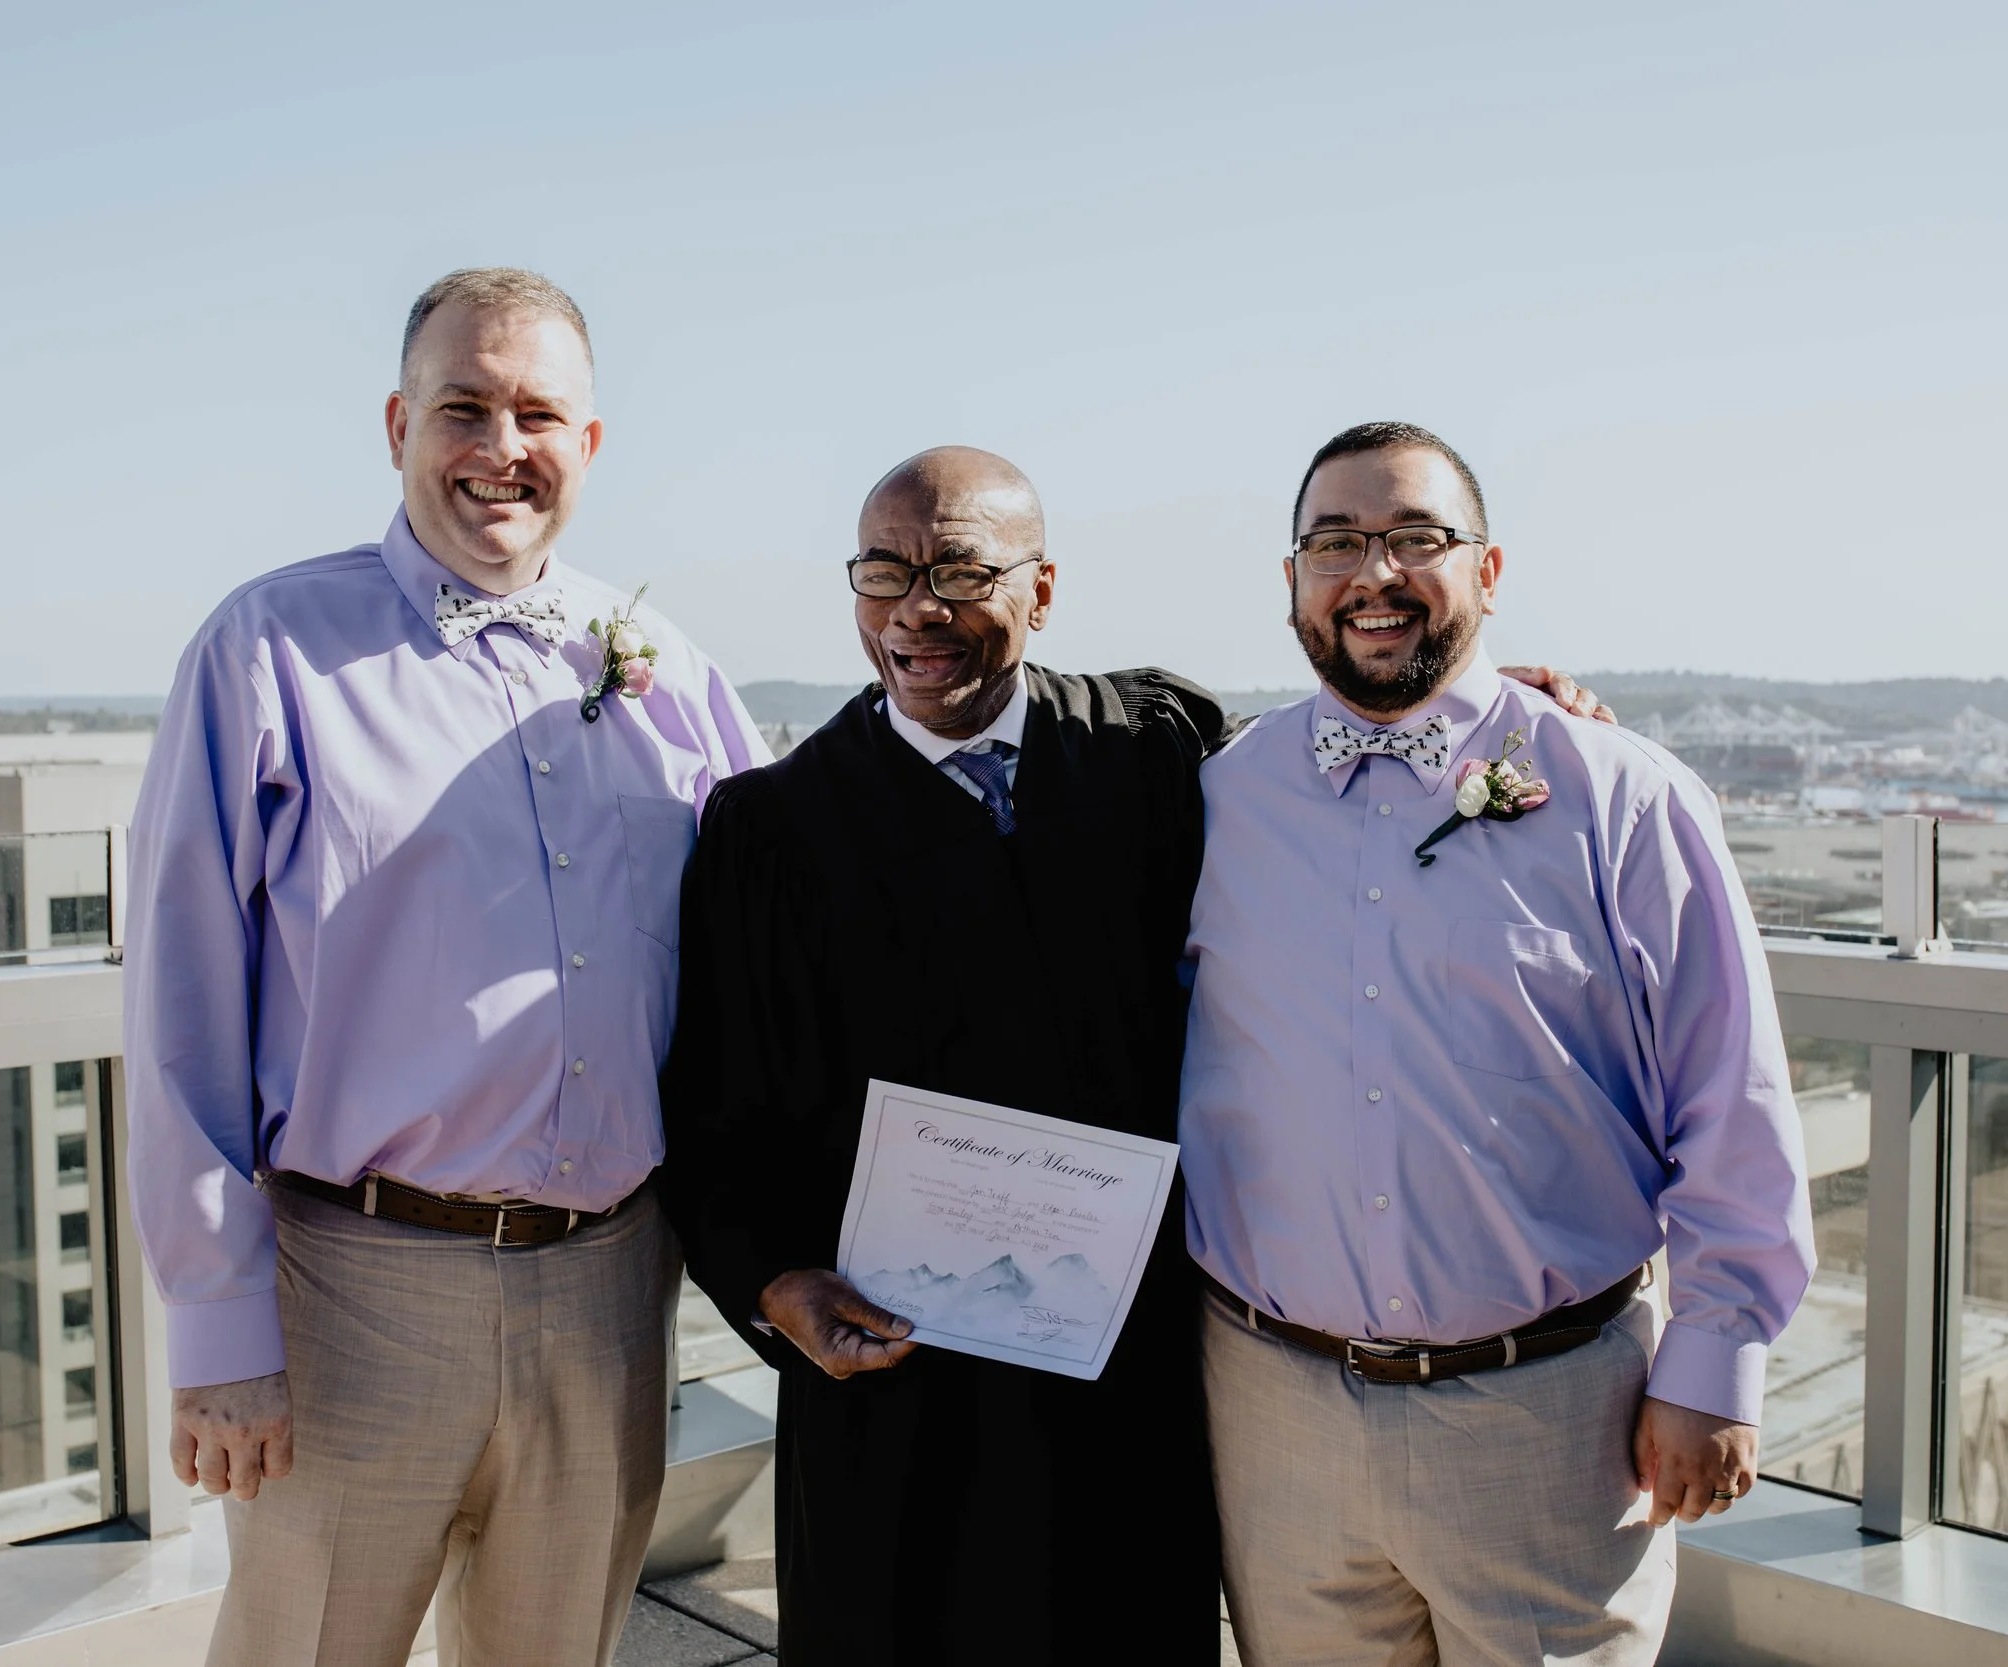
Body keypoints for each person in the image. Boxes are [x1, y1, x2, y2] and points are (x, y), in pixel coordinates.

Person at [660, 445, 1608, 1665]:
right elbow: (718, 1110)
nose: (918, 608)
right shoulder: (775, 828)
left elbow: (1339, 761)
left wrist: (1491, 707)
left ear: (1042, 590)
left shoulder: (1154, 746)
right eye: (883, 571)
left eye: (959, 567)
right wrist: (779, 1282)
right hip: (902, 1377)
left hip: (1129, 1360)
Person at [123, 267, 766, 1666]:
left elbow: (780, 946)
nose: (501, 446)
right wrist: (220, 1329)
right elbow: (179, 1005)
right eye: (462, 407)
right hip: (354, 1287)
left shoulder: (674, 673)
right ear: (399, 422)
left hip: (611, 1292)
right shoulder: (265, 649)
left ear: (589, 445)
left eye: (539, 412)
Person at [1178, 421, 1816, 1667]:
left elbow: (1727, 1096)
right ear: (1292, 578)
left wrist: (1717, 1358)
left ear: (1489, 567)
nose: (1374, 572)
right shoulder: (1215, 798)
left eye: (1417, 537)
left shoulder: (1621, 794)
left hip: (1554, 1419)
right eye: (1335, 542)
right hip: (1270, 1409)